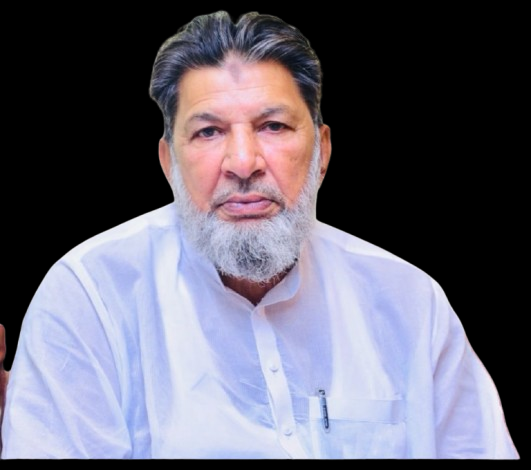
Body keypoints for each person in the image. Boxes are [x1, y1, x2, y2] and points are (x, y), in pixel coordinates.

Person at [0, 11, 519, 459]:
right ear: (168, 163)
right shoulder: (90, 297)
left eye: (273, 126)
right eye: (208, 131)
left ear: (322, 152)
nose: (243, 162)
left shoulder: (410, 303)